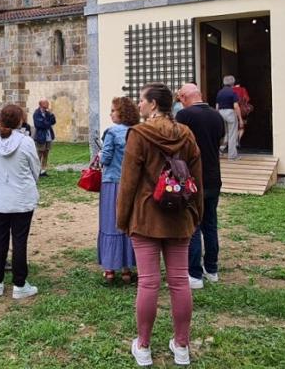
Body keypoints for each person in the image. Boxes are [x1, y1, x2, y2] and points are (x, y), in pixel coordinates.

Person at [118, 83, 203, 367]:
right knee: (179, 281)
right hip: (179, 217)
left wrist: (122, 218)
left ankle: (143, 346)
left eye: (142, 100)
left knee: (148, 282)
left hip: (145, 217)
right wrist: (196, 213)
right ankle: (181, 345)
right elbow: (197, 179)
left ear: (153, 104)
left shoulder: (139, 134)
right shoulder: (186, 134)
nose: (139, 105)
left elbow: (128, 182)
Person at [0, 104, 41, 300]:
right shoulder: (26, 142)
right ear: (20, 121)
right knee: (19, 240)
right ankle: (19, 284)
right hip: (20, 197)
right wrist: (30, 183)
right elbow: (35, 167)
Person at [176, 83, 226, 290]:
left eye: (180, 98)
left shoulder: (184, 117)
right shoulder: (217, 116)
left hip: (193, 178)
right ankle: (212, 270)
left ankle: (194, 274)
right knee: (211, 224)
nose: (180, 102)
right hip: (214, 177)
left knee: (193, 226)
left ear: (186, 97)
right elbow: (219, 142)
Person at [99, 97, 139, 284]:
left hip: (111, 183)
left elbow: (105, 159)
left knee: (110, 223)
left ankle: (109, 269)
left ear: (121, 113)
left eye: (113, 111)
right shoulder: (137, 131)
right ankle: (126, 269)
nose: (111, 114)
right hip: (131, 184)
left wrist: (100, 155)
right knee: (127, 223)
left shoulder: (112, 132)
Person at [214, 76, 241, 160]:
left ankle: (219, 150)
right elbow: (236, 106)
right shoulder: (233, 92)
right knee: (232, 134)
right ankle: (232, 156)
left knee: (224, 133)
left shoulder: (219, 92)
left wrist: (217, 115)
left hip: (221, 113)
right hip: (230, 113)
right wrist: (240, 118)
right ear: (233, 83)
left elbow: (217, 106)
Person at [32, 99, 56, 177]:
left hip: (48, 136)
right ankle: (37, 171)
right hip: (40, 136)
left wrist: (52, 115)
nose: (48, 104)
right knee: (39, 154)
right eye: (46, 103)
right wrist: (47, 123)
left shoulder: (48, 113)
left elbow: (53, 122)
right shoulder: (37, 113)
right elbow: (39, 125)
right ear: (41, 104)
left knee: (46, 153)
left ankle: (43, 170)